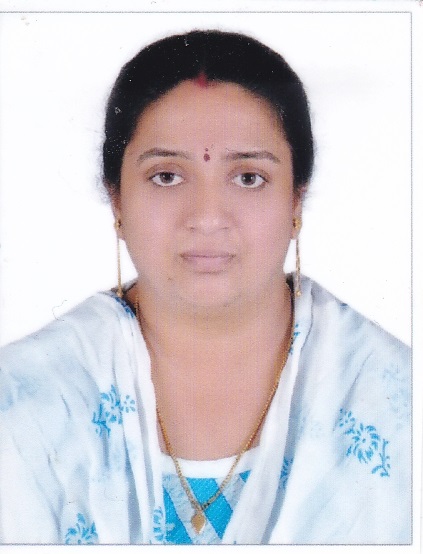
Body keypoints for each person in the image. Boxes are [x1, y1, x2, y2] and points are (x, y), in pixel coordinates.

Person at [0, 30, 410, 545]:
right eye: (167, 176)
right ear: (117, 199)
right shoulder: (24, 403)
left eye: (249, 177)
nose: (208, 217)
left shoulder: (396, 404)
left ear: (297, 199)